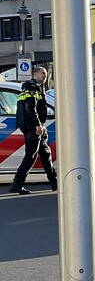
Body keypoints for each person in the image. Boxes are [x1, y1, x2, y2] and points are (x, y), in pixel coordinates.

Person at [9, 66, 57, 195]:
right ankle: (17, 183)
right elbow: (30, 107)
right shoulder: (31, 87)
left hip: (37, 126)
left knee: (45, 154)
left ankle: (54, 182)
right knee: (31, 155)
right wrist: (37, 125)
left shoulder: (37, 87)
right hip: (33, 127)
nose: (45, 76)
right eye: (43, 73)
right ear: (35, 73)